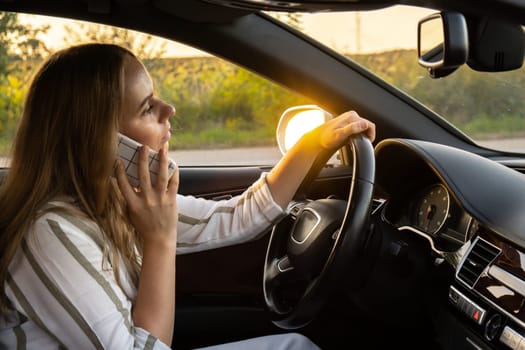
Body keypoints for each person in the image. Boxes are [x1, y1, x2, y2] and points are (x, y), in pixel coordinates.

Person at [0, 43, 375, 349]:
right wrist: (159, 239)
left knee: (294, 346)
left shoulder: (117, 203)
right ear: (103, 144)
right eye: (148, 108)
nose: (169, 109)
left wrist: (311, 145)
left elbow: (238, 218)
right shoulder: (51, 233)